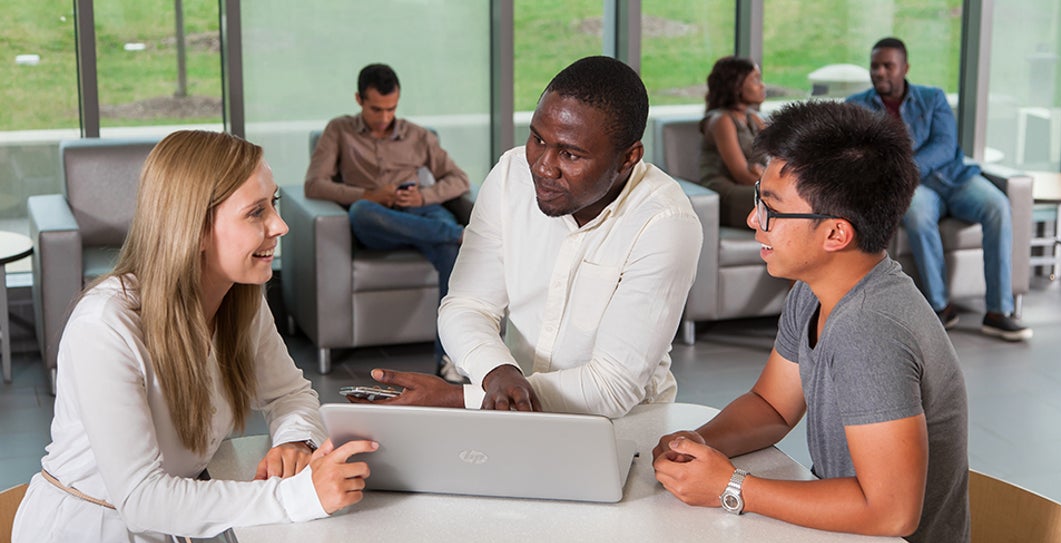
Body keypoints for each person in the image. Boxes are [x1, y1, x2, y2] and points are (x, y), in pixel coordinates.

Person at [13, 131, 377, 543]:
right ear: (196, 229)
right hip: (87, 540)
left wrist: (295, 441)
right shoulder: (105, 325)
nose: (280, 226)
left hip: (176, 530)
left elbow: (289, 393)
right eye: (256, 212)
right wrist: (302, 496)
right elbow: (142, 499)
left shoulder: (241, 301)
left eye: (272, 204)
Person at [651, 101, 970, 543]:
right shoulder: (819, 289)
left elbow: (892, 512)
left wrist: (731, 486)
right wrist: (700, 443)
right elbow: (772, 407)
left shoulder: (870, 329)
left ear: (836, 235)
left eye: (771, 208)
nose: (753, 219)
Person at [352, 56, 703, 418]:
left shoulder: (665, 222)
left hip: (622, 425)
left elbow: (612, 387)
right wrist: (497, 373)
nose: (542, 166)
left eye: (570, 153)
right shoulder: (510, 175)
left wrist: (461, 397)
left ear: (628, 157)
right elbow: (466, 306)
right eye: (537, 138)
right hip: (509, 412)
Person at [847, 37, 1032, 341]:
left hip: (956, 179)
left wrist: (907, 169)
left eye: (887, 66)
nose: (879, 72)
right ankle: (941, 308)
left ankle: (998, 311)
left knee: (997, 206)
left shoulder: (932, 98)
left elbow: (946, 146)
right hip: (917, 190)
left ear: (904, 68)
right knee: (918, 215)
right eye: (874, 66)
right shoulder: (858, 106)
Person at [305, 63, 471, 380]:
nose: (384, 118)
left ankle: (449, 360)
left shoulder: (418, 136)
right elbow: (315, 184)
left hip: (420, 210)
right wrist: (368, 193)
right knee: (362, 212)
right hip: (378, 220)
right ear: (359, 99)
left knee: (450, 252)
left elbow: (458, 179)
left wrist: (423, 197)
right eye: (376, 109)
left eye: (391, 109)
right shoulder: (339, 131)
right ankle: (455, 233)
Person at [699, 55, 767, 229]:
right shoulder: (721, 120)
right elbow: (741, 175)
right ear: (736, 85)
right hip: (723, 192)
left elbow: (779, 154)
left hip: (753, 186)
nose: (762, 85)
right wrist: (771, 181)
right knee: (779, 200)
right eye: (755, 79)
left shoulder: (753, 118)